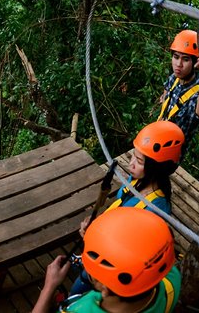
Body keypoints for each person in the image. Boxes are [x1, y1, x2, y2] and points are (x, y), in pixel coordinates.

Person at [70, 121, 184, 297]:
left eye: (138, 161)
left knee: (78, 290)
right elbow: (121, 206)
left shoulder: (155, 210)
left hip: (115, 267)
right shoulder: (136, 180)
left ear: (156, 168)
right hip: (108, 241)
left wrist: (94, 238)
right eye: (133, 157)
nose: (130, 165)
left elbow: (130, 253)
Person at [33, 208, 180, 313]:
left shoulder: (83, 309)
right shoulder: (172, 279)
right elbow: (142, 248)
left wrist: (49, 287)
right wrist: (99, 238)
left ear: (104, 288)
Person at [158, 29, 199, 145]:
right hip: (158, 137)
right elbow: (165, 95)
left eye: (185, 59)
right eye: (176, 57)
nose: (179, 64)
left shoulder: (198, 93)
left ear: (195, 62)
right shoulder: (173, 78)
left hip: (170, 153)